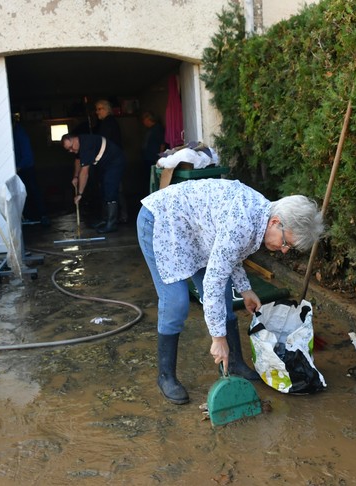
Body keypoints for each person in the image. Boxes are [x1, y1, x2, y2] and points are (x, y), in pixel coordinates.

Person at [136, 178, 325, 404]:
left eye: (289, 247)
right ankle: (165, 376)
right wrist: (218, 339)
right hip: (161, 221)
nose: (284, 250)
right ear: (276, 222)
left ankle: (234, 363)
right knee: (176, 301)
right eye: (286, 243)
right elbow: (214, 280)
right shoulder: (244, 222)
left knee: (224, 299)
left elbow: (230, 253)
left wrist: (245, 289)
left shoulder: (261, 217)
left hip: (196, 230)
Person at [62, 133, 126, 234]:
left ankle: (111, 223)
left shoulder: (86, 144)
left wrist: (80, 194)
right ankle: (105, 220)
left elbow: (85, 172)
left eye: (71, 147)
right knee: (103, 189)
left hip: (114, 161)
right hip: (105, 164)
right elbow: (78, 160)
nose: (71, 151)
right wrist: (75, 177)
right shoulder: (78, 145)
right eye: (68, 150)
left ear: (74, 139)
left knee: (110, 188)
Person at [94, 99, 129, 224]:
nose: (97, 112)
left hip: (112, 162)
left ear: (107, 109)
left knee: (115, 189)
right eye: (96, 109)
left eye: (99, 109)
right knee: (115, 189)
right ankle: (118, 216)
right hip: (112, 162)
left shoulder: (108, 123)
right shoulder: (106, 123)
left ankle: (118, 217)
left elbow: (104, 144)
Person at [12, 115, 49, 226]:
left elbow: (27, 155)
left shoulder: (20, 133)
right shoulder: (13, 132)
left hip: (26, 168)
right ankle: (29, 215)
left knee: (31, 191)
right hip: (20, 167)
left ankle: (41, 215)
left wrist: (17, 167)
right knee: (24, 192)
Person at [140, 111, 166, 195]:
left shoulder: (158, 129)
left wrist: (160, 158)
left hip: (154, 158)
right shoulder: (150, 130)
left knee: (153, 179)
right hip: (148, 157)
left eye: (144, 119)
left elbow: (162, 144)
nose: (143, 121)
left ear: (149, 119)